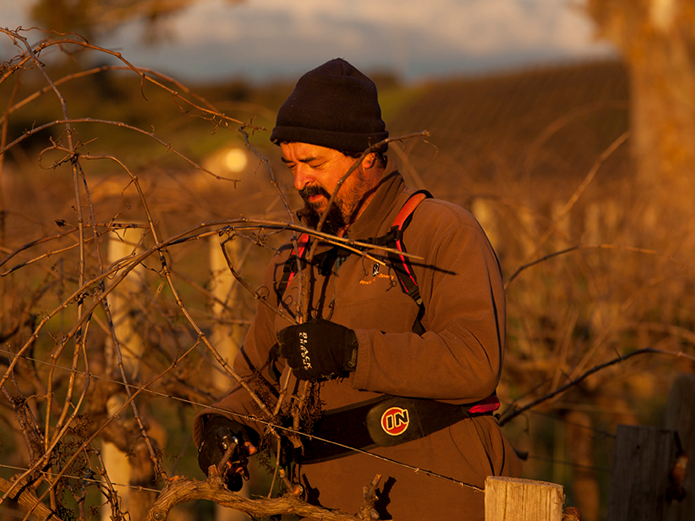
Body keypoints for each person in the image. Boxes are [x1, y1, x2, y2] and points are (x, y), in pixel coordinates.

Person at [194, 58, 521, 520]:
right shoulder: (291, 262)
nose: (299, 181)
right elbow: (259, 381)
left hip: (434, 501)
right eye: (290, 165)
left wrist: (352, 352)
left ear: (367, 156)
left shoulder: (438, 231)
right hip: (316, 506)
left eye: (314, 163)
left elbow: (476, 362)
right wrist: (226, 422)